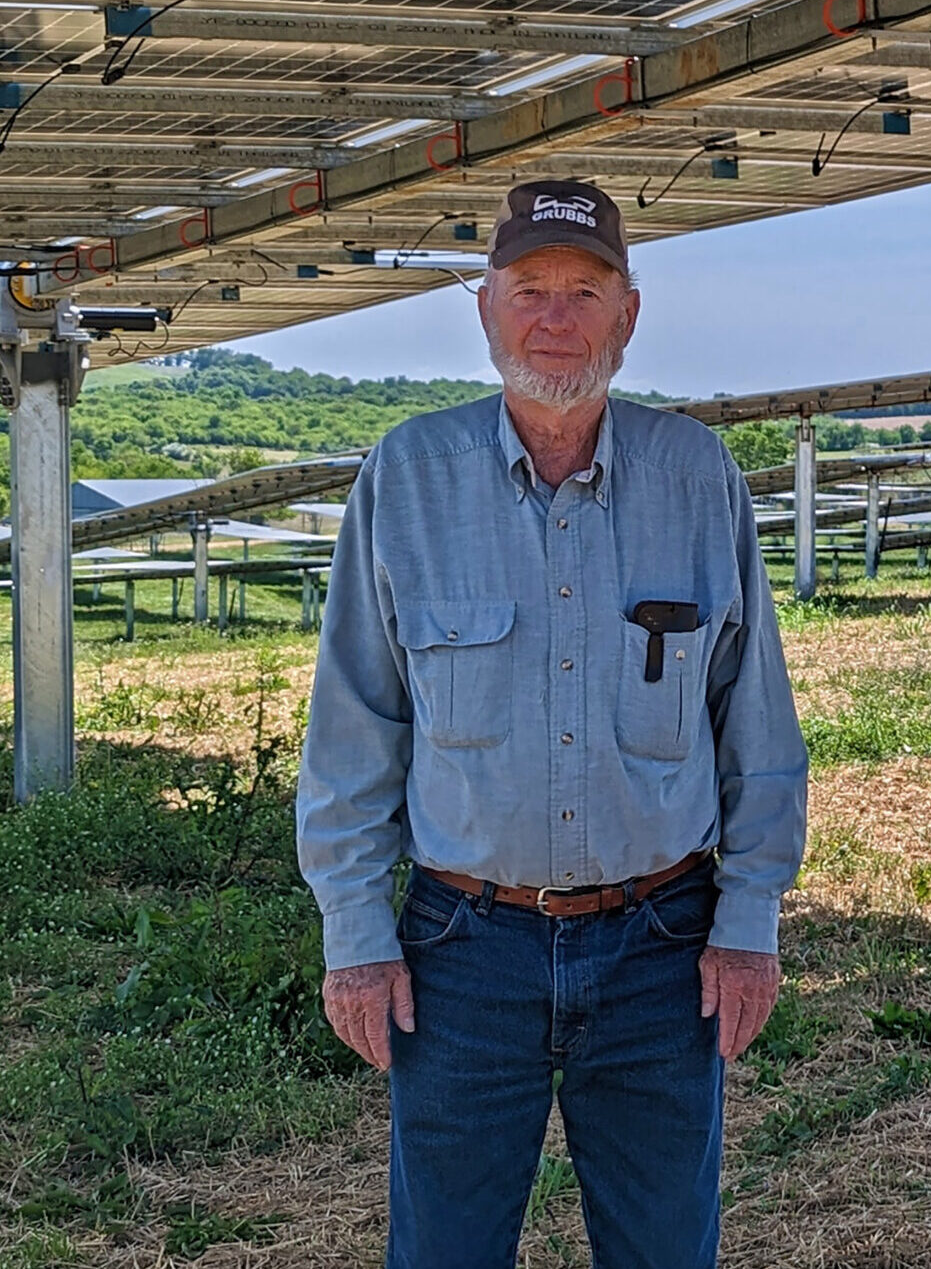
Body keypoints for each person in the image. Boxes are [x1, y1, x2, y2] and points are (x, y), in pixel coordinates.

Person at [296, 178, 808, 1269]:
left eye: (586, 290)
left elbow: (753, 721)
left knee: (668, 1245)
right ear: (485, 308)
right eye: (530, 288)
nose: (556, 317)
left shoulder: (695, 475)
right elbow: (355, 727)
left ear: (628, 314)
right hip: (462, 949)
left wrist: (749, 918)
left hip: (662, 945)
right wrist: (356, 938)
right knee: (444, 1248)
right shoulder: (408, 476)